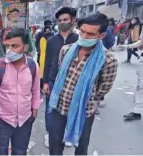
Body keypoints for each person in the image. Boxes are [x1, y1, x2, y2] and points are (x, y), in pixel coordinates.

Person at [48, 13, 118, 155]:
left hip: (84, 111)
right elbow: (61, 74)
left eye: (90, 34)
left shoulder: (108, 60)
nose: (84, 36)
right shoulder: (66, 50)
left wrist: (84, 97)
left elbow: (103, 88)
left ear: (101, 36)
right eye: (82, 31)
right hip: (59, 107)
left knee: (81, 147)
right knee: (55, 145)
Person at [0, 28, 42, 155]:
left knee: (20, 152)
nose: (10, 50)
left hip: (25, 120)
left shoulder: (33, 66)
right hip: (2, 121)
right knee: (1, 152)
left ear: (25, 47)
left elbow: (35, 91)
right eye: (8, 46)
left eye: (15, 46)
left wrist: (34, 113)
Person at [42, 7, 78, 147]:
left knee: (68, 108)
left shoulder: (78, 39)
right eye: (60, 20)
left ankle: (65, 133)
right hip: (53, 81)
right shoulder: (51, 40)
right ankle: (49, 133)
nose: (63, 22)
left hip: (71, 82)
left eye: (66, 19)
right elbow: (47, 62)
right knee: (50, 109)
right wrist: (45, 82)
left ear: (72, 20)